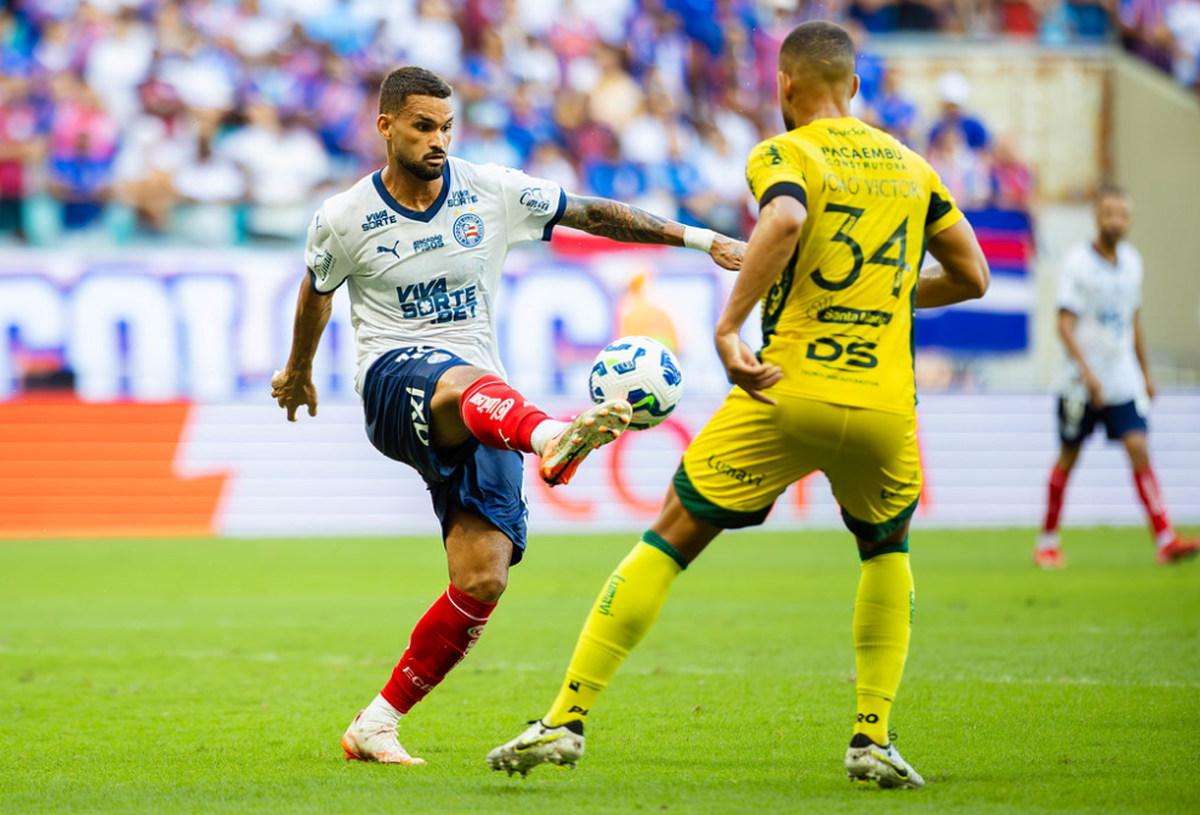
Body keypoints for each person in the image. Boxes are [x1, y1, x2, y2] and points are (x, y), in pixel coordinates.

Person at [487, 20, 990, 789]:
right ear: (853, 85)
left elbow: (784, 219)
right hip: (887, 404)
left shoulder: (785, 152)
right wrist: (888, 301)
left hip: (786, 388)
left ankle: (566, 717)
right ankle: (872, 734)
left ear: (785, 84)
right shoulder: (914, 168)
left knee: (670, 535)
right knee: (886, 549)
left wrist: (727, 328)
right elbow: (973, 276)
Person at [270, 65, 743, 766]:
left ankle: (376, 723)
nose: (438, 140)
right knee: (460, 382)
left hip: (487, 406)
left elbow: (593, 212)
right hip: (396, 385)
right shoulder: (343, 218)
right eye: (424, 126)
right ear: (386, 126)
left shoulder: (488, 190)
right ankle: (553, 433)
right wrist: (300, 369)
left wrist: (703, 241)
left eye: (446, 127)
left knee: (482, 578)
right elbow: (317, 292)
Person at [1034, 186, 1198, 569]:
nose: (1116, 221)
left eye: (1123, 214)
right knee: (1068, 455)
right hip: (1079, 381)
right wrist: (1087, 372)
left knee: (1139, 448)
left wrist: (1145, 373)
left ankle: (1165, 539)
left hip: (1121, 377)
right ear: (1097, 216)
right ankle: (1048, 541)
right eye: (1109, 213)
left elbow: (1133, 320)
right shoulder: (1078, 264)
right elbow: (1063, 323)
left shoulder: (1132, 262)